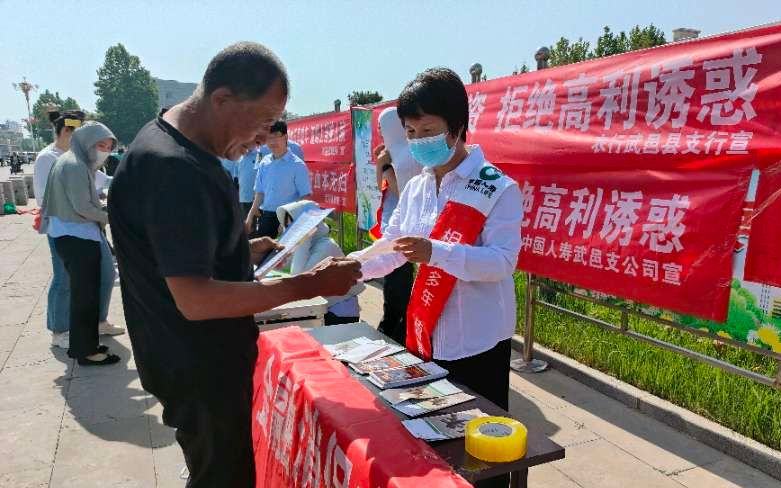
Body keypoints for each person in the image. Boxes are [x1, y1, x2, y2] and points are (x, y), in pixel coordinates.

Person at [108, 42, 361, 488]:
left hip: (189, 358)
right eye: (263, 123)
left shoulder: (170, 144)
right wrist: (308, 284)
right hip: (200, 367)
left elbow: (173, 252)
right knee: (223, 476)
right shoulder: (174, 169)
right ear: (222, 99)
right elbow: (196, 300)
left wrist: (238, 250)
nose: (264, 139)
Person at [352, 67, 522, 410]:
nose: (418, 140)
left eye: (428, 131)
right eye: (410, 132)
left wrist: (435, 252)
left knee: (477, 432)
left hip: (478, 342)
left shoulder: (497, 188)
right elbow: (394, 246)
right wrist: (352, 267)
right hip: (427, 334)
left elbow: (502, 262)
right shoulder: (417, 187)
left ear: (456, 127)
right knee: (431, 426)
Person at [34, 111, 122, 349]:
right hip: (67, 228)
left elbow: (102, 182)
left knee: (105, 275)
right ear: (68, 132)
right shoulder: (53, 158)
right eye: (100, 145)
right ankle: (60, 330)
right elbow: (47, 197)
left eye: (107, 146)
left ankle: (98, 322)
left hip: (89, 226)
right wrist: (110, 216)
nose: (104, 150)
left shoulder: (84, 159)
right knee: (66, 281)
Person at [372, 107, 421, 345]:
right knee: (393, 286)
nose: (380, 133)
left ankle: (393, 333)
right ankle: (393, 330)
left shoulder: (408, 156)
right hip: (391, 227)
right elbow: (377, 185)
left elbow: (404, 193)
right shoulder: (393, 152)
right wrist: (382, 164)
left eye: (382, 129)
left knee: (397, 289)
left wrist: (386, 167)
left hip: (406, 231)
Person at [277, 200, 365, 325]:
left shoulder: (326, 246)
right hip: (322, 307)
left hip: (338, 312)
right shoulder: (308, 244)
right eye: (288, 227)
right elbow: (281, 265)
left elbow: (298, 279)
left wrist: (304, 239)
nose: (291, 231)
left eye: (296, 226)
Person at [245, 120, 311, 239]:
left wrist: (287, 218)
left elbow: (305, 196)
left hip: (288, 219)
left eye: (276, 136)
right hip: (266, 217)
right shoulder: (264, 162)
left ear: (285, 137)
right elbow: (259, 192)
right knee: (264, 250)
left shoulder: (297, 165)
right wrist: (250, 217)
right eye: (269, 137)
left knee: (285, 251)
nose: (272, 141)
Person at [237, 135, 262, 233]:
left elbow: (261, 177)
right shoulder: (239, 158)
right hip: (243, 199)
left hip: (257, 199)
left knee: (258, 230)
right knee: (247, 230)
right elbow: (237, 179)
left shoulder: (260, 155)